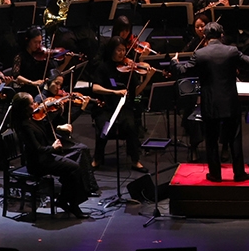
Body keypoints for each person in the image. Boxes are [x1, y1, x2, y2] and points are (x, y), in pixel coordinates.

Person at [175, 21, 249, 181]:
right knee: (235, 138)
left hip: (210, 103)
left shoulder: (200, 54)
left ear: (205, 37)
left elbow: (182, 71)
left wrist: (174, 61)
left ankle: (215, 174)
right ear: (222, 35)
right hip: (230, 102)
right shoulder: (232, 51)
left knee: (211, 140)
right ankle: (239, 173)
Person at [10, 91, 91, 217]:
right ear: (25, 108)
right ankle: (71, 204)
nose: (36, 104)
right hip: (38, 163)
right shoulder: (24, 126)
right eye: (32, 103)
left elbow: (47, 128)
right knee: (74, 169)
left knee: (72, 171)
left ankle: (65, 200)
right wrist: (53, 148)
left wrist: (57, 114)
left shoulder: (31, 119)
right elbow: (37, 148)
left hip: (45, 158)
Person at [88, 36, 148, 170]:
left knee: (131, 126)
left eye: (124, 50)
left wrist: (147, 79)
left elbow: (136, 91)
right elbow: (95, 87)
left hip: (123, 107)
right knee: (105, 126)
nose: (122, 53)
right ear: (112, 50)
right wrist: (114, 92)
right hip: (105, 107)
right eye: (119, 50)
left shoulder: (129, 69)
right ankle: (97, 158)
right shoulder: (103, 67)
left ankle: (135, 160)